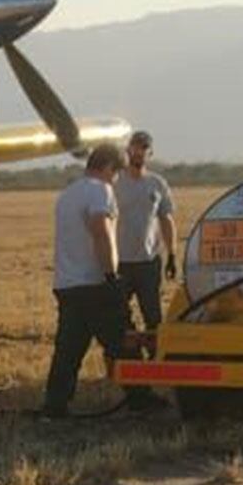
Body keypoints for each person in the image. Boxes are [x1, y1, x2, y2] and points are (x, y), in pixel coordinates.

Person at [43, 143, 127, 418]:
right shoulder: (99, 190)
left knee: (68, 349)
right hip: (94, 283)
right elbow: (101, 232)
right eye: (116, 174)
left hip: (67, 284)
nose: (116, 180)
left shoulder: (67, 194)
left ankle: (55, 404)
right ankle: (140, 396)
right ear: (108, 168)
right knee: (122, 341)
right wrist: (111, 275)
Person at [114, 130, 179, 331]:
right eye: (135, 147)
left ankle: (153, 357)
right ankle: (127, 355)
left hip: (148, 262)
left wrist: (172, 255)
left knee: (153, 317)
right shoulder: (115, 182)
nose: (139, 152)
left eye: (144, 148)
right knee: (117, 314)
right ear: (128, 150)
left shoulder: (157, 184)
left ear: (150, 153)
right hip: (119, 263)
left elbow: (166, 220)